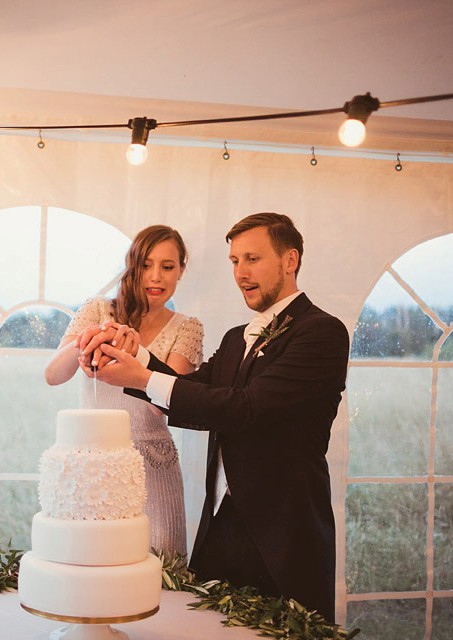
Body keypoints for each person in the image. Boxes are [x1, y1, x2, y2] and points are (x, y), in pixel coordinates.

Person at [78, 212, 348, 621]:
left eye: (252, 259)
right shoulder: (236, 336)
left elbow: (246, 408)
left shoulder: (321, 332)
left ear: (290, 261)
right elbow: (198, 391)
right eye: (235, 261)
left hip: (284, 535)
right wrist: (135, 354)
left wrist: (143, 374)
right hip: (220, 529)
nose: (241, 272)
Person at [45, 224, 204, 557]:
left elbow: (165, 405)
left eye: (168, 266)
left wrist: (137, 356)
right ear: (133, 266)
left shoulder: (187, 327)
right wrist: (93, 338)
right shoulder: (97, 310)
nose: (156, 276)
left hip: (153, 463)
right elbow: (53, 375)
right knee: (93, 565)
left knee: (160, 567)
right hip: (93, 460)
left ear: (181, 271)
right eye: (146, 265)